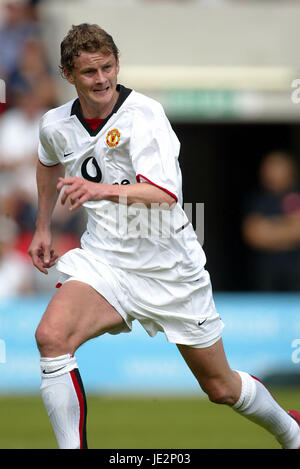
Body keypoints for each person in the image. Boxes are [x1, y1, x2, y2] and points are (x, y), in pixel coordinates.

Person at [28, 23, 300, 450]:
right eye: (89, 72)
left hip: (170, 269)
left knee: (221, 388)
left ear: (118, 65)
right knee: (51, 337)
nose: (101, 79)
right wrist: (43, 225)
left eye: (107, 67)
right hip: (107, 261)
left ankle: (292, 433)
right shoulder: (56, 124)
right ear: (68, 75)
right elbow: (46, 160)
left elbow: (164, 195)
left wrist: (101, 190)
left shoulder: (146, 115)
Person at [242, 151, 300, 291]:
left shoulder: (296, 196)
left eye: (277, 168)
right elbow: (253, 234)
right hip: (266, 273)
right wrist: (287, 227)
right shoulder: (258, 200)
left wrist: (270, 228)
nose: (272, 173)